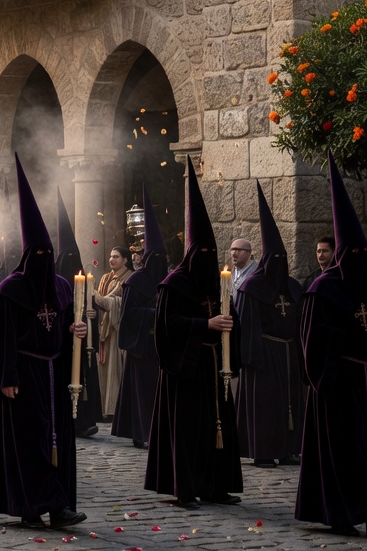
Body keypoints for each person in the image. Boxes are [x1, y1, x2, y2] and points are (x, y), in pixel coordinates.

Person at [297, 158, 367, 537]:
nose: (359, 261)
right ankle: (346, 513)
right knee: (346, 451)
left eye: (364, 254)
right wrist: (330, 373)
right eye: (352, 254)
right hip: (335, 383)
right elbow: (311, 340)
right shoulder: (322, 290)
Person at [0, 157, 88, 529]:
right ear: (29, 257)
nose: (44, 261)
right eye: (38, 255)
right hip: (24, 377)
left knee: (58, 440)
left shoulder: (61, 286)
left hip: (56, 372)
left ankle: (58, 505)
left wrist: (76, 334)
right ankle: (34, 507)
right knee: (31, 443)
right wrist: (6, 377)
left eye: (49, 255)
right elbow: (3, 338)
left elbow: (62, 326)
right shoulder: (11, 290)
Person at [144, 161, 242, 509]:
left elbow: (227, 317)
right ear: (191, 255)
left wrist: (230, 326)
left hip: (213, 366)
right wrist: (206, 326)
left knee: (217, 428)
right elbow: (167, 326)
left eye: (213, 255)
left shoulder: (218, 282)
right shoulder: (174, 284)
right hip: (184, 368)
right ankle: (184, 487)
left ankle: (215, 485)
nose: (209, 259)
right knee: (188, 430)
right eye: (203, 254)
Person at [235, 184, 305, 469]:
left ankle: (288, 448)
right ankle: (263, 451)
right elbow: (246, 324)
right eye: (273, 259)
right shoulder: (253, 287)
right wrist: (251, 356)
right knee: (265, 405)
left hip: (288, 353)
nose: (278, 264)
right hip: (263, 353)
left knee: (289, 403)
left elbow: (300, 322)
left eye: (282, 260)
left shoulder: (292, 287)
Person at [111, 185, 165, 449]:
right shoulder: (135, 282)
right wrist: (155, 314)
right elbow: (128, 314)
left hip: (161, 346)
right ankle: (140, 432)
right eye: (158, 259)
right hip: (141, 345)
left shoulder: (167, 280)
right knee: (142, 392)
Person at [56, 192, 100, 437]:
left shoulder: (81, 284)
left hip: (82, 342)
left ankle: (83, 418)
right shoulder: (55, 287)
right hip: (61, 344)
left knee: (83, 375)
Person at [94, 246, 130, 417]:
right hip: (104, 326)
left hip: (117, 327)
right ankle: (103, 407)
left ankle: (115, 408)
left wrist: (97, 297)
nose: (112, 259)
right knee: (104, 366)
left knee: (116, 369)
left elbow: (120, 302)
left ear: (125, 260)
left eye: (116, 257)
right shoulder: (106, 278)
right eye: (110, 256)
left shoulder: (129, 277)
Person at [228, 238, 254, 305]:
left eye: (238, 250)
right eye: (232, 250)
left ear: (249, 252)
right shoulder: (230, 272)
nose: (234, 254)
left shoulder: (256, 271)